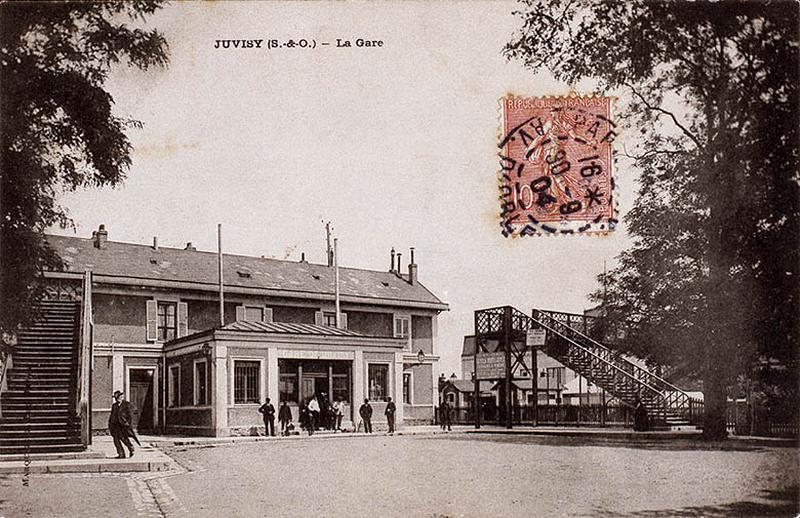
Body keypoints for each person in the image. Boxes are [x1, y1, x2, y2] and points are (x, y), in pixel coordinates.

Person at [108, 390, 138, 459]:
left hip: (123, 425)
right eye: (116, 398)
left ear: (121, 397)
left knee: (123, 438)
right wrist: (110, 424)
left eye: (119, 397)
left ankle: (131, 448)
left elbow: (130, 415)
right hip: (115, 426)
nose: (117, 399)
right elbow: (112, 415)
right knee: (116, 440)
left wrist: (128, 423)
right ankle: (121, 454)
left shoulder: (126, 404)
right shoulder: (114, 406)